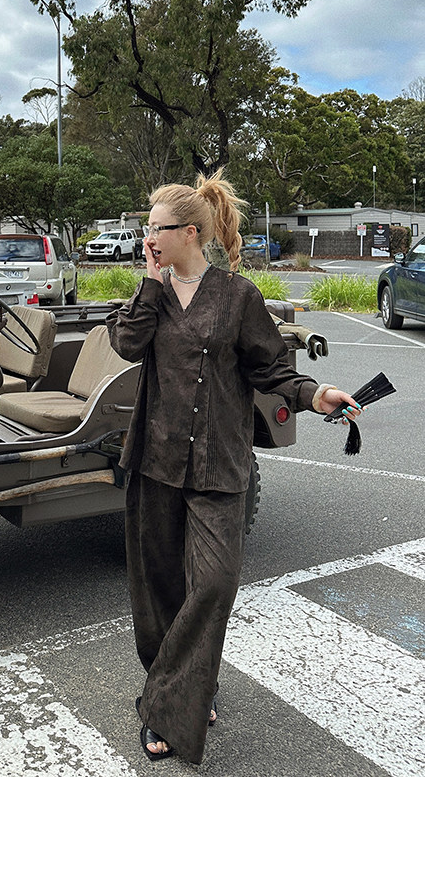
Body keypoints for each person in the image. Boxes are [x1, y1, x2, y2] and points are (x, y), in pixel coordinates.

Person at [106, 170, 362, 764]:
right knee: (159, 587)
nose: (148, 238)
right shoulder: (151, 295)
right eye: (146, 228)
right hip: (156, 460)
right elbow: (126, 346)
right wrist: (150, 283)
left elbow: (270, 368)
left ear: (190, 233)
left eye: (158, 229)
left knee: (215, 582)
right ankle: (183, 689)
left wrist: (315, 393)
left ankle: (166, 700)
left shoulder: (238, 296)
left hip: (219, 461)